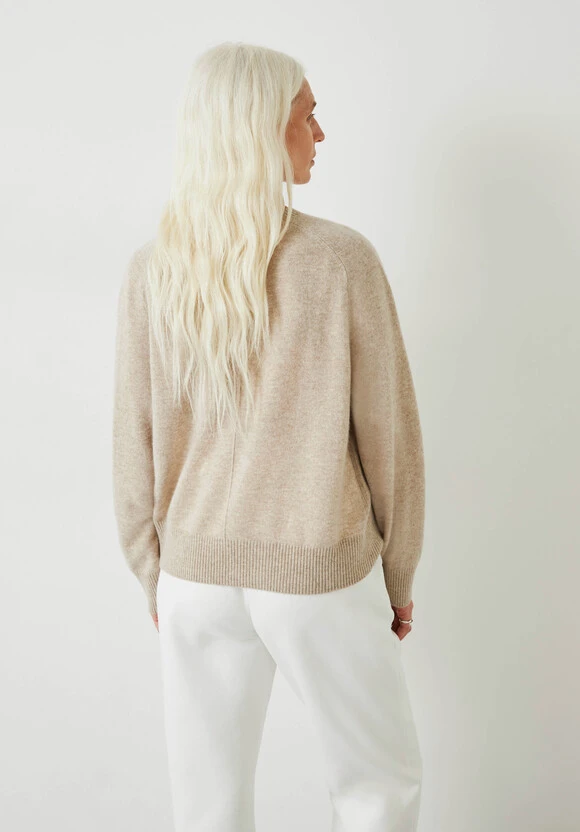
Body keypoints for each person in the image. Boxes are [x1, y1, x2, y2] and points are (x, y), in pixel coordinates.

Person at [112, 41, 425, 832]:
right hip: (316, 570)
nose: (320, 133)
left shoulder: (154, 269)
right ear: (259, 126)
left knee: (207, 807)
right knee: (375, 785)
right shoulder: (341, 262)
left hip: (194, 579)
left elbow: (131, 443)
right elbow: (388, 436)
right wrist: (398, 573)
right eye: (306, 115)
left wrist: (157, 576)